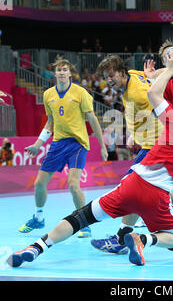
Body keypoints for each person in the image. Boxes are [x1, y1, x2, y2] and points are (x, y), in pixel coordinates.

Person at [7, 51, 173, 268]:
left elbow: (157, 94)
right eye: (106, 77)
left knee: (139, 196)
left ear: (122, 72)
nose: (109, 80)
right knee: (169, 192)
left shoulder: (148, 99)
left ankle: (113, 238)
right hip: (152, 153)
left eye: (111, 76)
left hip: (153, 147)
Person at [91, 0, 173, 253]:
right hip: (166, 141)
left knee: (135, 187)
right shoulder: (154, 80)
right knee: (160, 189)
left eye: (110, 76)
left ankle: (121, 238)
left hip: (169, 138)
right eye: (166, 55)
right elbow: (141, 99)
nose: (108, 81)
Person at [18, 58, 108, 238]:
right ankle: (38, 217)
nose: (61, 72)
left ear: (70, 73)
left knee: (73, 184)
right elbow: (50, 122)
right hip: (58, 144)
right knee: (39, 184)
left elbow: (92, 119)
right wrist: (38, 144)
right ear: (55, 73)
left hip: (77, 143)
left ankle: (83, 223)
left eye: (64, 69)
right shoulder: (48, 95)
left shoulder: (80, 92)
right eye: (58, 70)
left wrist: (102, 145)